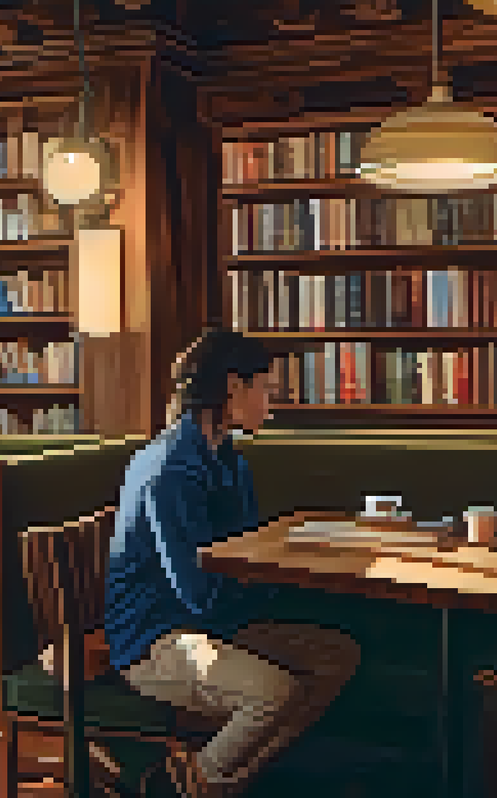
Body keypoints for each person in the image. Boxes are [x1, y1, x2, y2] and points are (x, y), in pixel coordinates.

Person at [103, 329, 360, 798]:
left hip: (212, 621)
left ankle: (208, 782)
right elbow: (197, 594)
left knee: (336, 657)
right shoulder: (169, 471)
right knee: (273, 692)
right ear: (232, 387)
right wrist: (274, 576)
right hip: (157, 638)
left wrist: (284, 567)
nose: (270, 403)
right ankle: (194, 785)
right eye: (265, 388)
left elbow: (244, 551)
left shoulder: (228, 461)